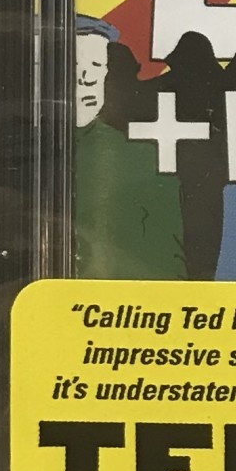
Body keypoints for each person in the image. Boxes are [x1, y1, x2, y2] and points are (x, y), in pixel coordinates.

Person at [72, 16, 184, 278]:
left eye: (96, 65)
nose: (86, 78)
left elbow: (171, 265)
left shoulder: (142, 160)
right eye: (73, 64)